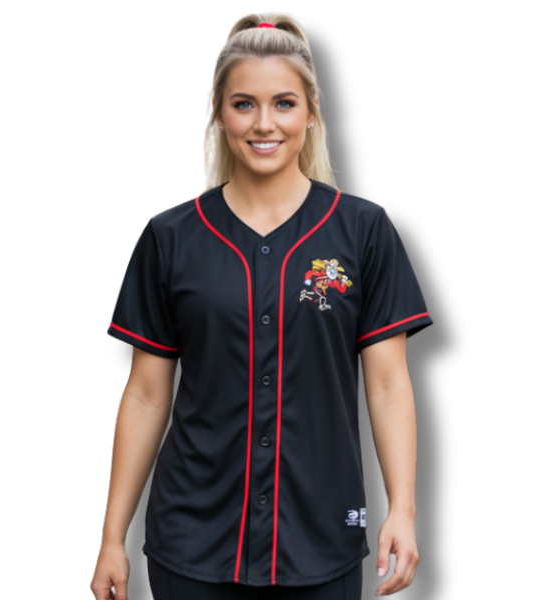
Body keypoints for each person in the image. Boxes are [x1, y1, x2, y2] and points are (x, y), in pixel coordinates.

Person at [90, 12, 433, 600]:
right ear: (218, 112)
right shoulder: (172, 237)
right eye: (244, 104)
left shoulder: (362, 232)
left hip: (320, 538)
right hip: (192, 541)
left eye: (284, 103)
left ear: (312, 111)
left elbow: (387, 384)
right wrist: (111, 537)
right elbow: (146, 393)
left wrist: (402, 508)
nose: (264, 123)